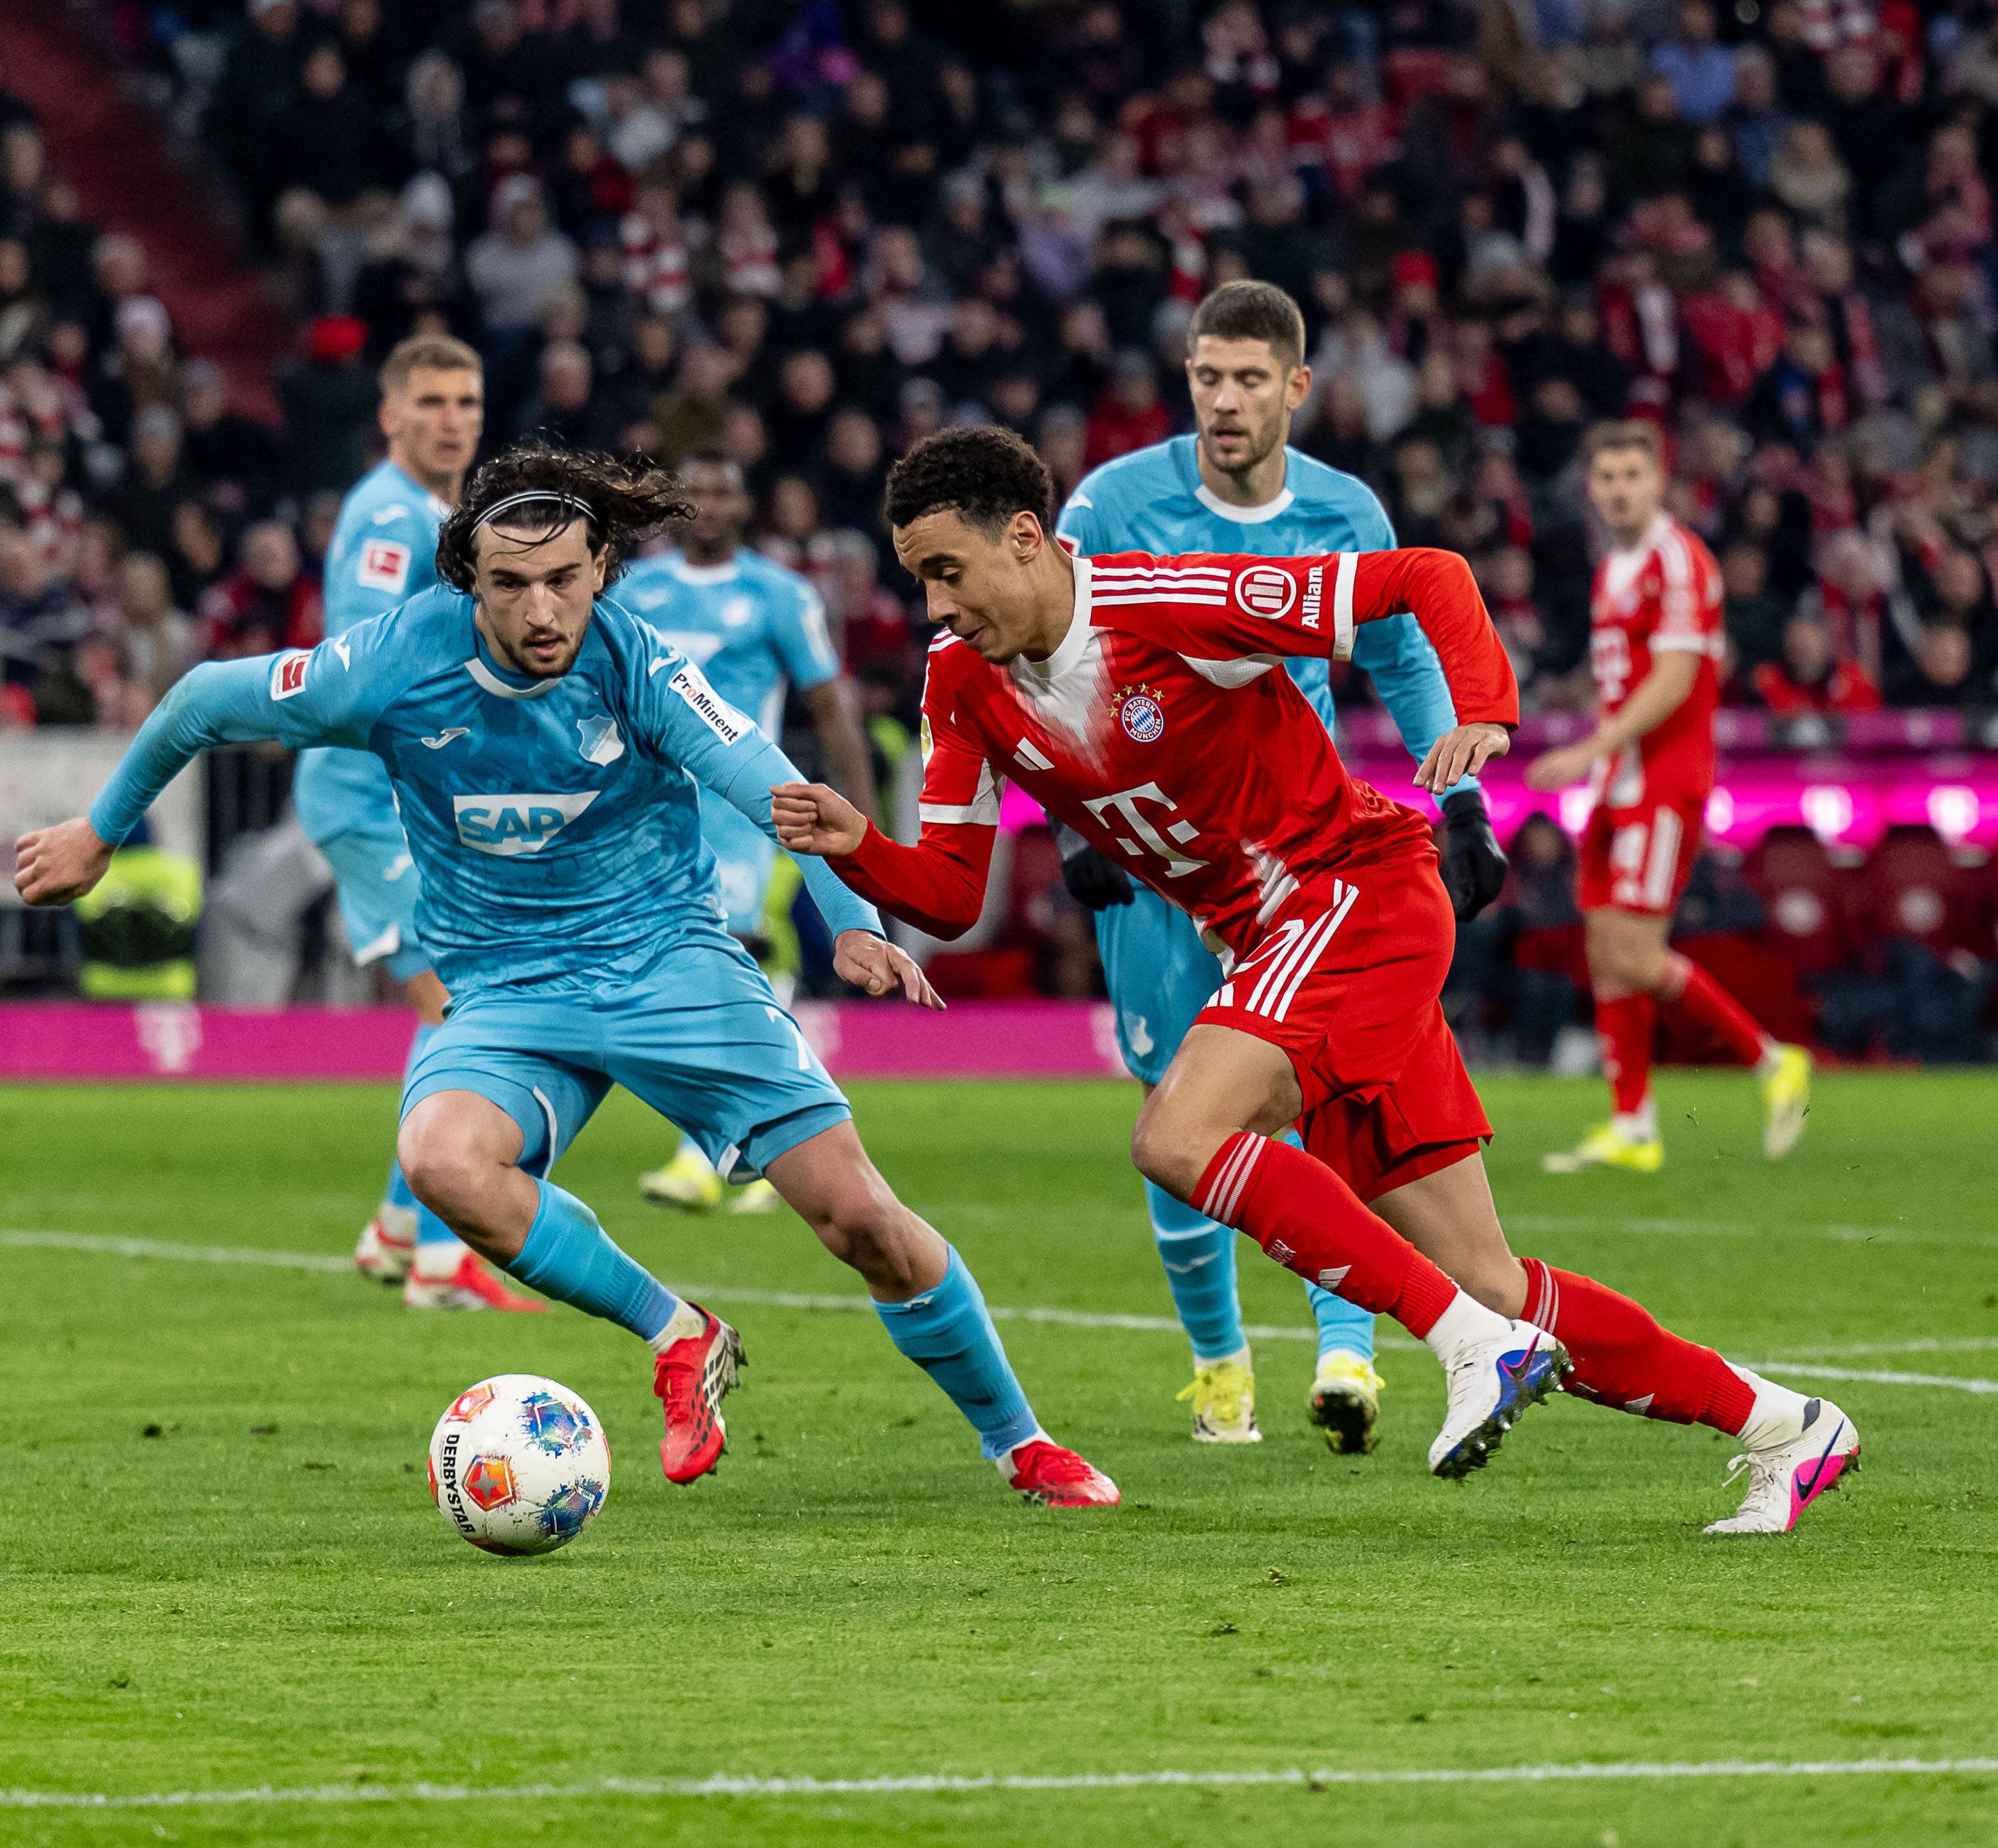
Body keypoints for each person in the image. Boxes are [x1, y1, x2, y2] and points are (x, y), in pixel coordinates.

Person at [775, 427, 1859, 1533]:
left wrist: (1482, 706)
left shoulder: (1174, 600)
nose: (935, 607)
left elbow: (1426, 576)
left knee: (1174, 1137)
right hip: (1292, 944)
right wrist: (856, 841)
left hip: (1357, 892)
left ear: (1024, 538)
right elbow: (951, 893)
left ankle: (1470, 1348)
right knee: (1490, 1276)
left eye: (946, 572)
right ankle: (1785, 1424)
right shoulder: (961, 684)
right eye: (920, 581)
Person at [17, 440, 1117, 1508]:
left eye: (563, 580)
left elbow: (769, 782)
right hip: (505, 987)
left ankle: (1022, 1440)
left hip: (670, 962)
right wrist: (99, 832)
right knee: (443, 1161)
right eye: (511, 585)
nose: (543, 611)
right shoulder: (394, 661)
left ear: (599, 569)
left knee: (860, 1220)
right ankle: (681, 1333)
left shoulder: (637, 660)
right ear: (469, 581)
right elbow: (208, 696)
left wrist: (849, 920)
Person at [1052, 278, 1507, 1455]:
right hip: (1159, 856)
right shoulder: (1114, 502)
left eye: (1250, 379)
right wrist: (1066, 825)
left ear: (1296, 388)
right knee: (1175, 1111)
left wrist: (1459, 799)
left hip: (1293, 855)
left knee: (1306, 1097)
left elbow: (1404, 661)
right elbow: (1035, 653)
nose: (1225, 400)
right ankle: (1219, 1365)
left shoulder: (1347, 510)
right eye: (1208, 376)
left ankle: (1346, 1350)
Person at [298, 334, 531, 1311]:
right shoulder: (389, 516)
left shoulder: (439, 514)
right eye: (431, 400)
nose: (452, 418)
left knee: (462, 999)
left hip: (403, 801)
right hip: (375, 798)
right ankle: (442, 1263)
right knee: (464, 1008)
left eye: (467, 400)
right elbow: (360, 662)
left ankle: (397, 1232)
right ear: (389, 415)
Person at [1525, 423, 1812, 1174]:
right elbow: (1623, 675)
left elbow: (1675, 680)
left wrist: (1589, 746)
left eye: (1631, 475)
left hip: (1662, 778)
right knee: (1603, 949)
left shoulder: (1679, 560)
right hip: (1616, 778)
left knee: (1633, 951)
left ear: (1658, 482)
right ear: (1591, 487)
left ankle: (1771, 1058)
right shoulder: (1610, 568)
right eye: (1606, 477)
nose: (1618, 488)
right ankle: (1633, 1124)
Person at [615, 448, 876, 1216]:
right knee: (684, 974)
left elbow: (831, 705)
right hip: (649, 812)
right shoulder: (637, 590)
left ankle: (705, 1155)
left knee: (736, 959)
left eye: (720, 487)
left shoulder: (779, 595)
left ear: (741, 505)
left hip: (743, 814)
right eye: (692, 488)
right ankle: (771, 1138)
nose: (706, 500)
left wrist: (865, 827)